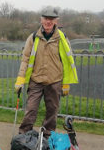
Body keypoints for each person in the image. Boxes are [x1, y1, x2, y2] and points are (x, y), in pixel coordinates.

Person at [14, 8, 78, 138]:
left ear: (56, 21)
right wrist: (20, 79)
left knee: (52, 111)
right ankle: (24, 135)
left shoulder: (62, 38)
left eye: (51, 19)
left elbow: (67, 62)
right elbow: (25, 59)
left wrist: (65, 84)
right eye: (46, 19)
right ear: (41, 20)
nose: (48, 22)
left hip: (54, 81)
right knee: (31, 109)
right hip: (36, 80)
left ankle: (47, 136)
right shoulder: (33, 37)